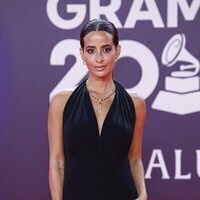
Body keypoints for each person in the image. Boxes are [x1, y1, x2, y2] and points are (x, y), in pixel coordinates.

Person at [48, 18, 147, 200]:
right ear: (82, 54)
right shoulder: (61, 101)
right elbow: (57, 162)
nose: (99, 58)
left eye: (107, 49)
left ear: (117, 51)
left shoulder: (136, 103)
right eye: (91, 51)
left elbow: (134, 158)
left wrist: (143, 194)